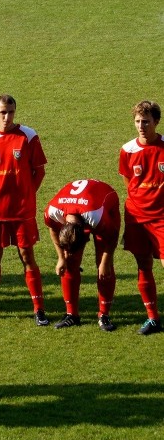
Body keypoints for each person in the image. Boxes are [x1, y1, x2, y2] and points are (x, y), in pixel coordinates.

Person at [0, 95, 49, 325]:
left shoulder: (28, 136)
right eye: (3, 112)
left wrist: (27, 193)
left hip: (22, 211)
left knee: (27, 256)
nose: (7, 117)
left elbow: (39, 171)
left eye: (11, 112)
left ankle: (39, 309)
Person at [44, 179, 120, 331]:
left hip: (105, 202)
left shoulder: (96, 216)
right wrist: (61, 257)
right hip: (81, 206)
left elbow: (112, 237)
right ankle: (72, 315)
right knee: (70, 261)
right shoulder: (53, 211)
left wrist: (105, 262)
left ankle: (104, 315)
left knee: (103, 267)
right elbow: (53, 229)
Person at [119, 100, 164, 335]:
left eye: (145, 121)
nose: (141, 126)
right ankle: (153, 319)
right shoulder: (128, 150)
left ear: (156, 122)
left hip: (162, 218)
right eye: (137, 121)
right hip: (137, 217)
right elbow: (129, 183)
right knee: (143, 266)